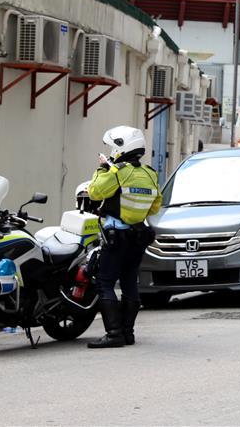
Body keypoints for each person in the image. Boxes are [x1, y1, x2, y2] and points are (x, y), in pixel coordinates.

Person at [87, 126, 161, 349]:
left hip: (116, 235)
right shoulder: (149, 173)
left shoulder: (117, 171)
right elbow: (155, 206)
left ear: (121, 147)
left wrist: (102, 169)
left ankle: (114, 334)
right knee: (130, 282)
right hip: (137, 236)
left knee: (105, 282)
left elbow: (94, 192)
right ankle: (128, 333)